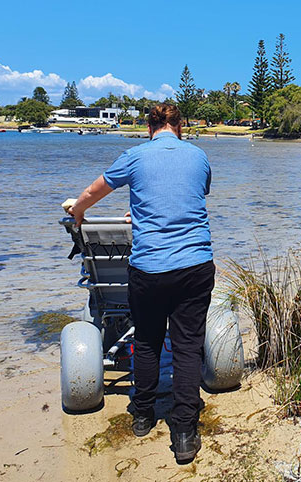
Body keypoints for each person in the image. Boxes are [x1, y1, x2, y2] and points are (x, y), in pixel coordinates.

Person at [68, 103, 213, 464]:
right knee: (187, 346)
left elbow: (92, 191)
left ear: (149, 128)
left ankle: (144, 415)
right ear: (180, 127)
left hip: (149, 269)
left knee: (147, 341)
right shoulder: (198, 156)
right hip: (195, 265)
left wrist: (78, 213)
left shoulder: (134, 156)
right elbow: (189, 196)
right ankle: (184, 432)